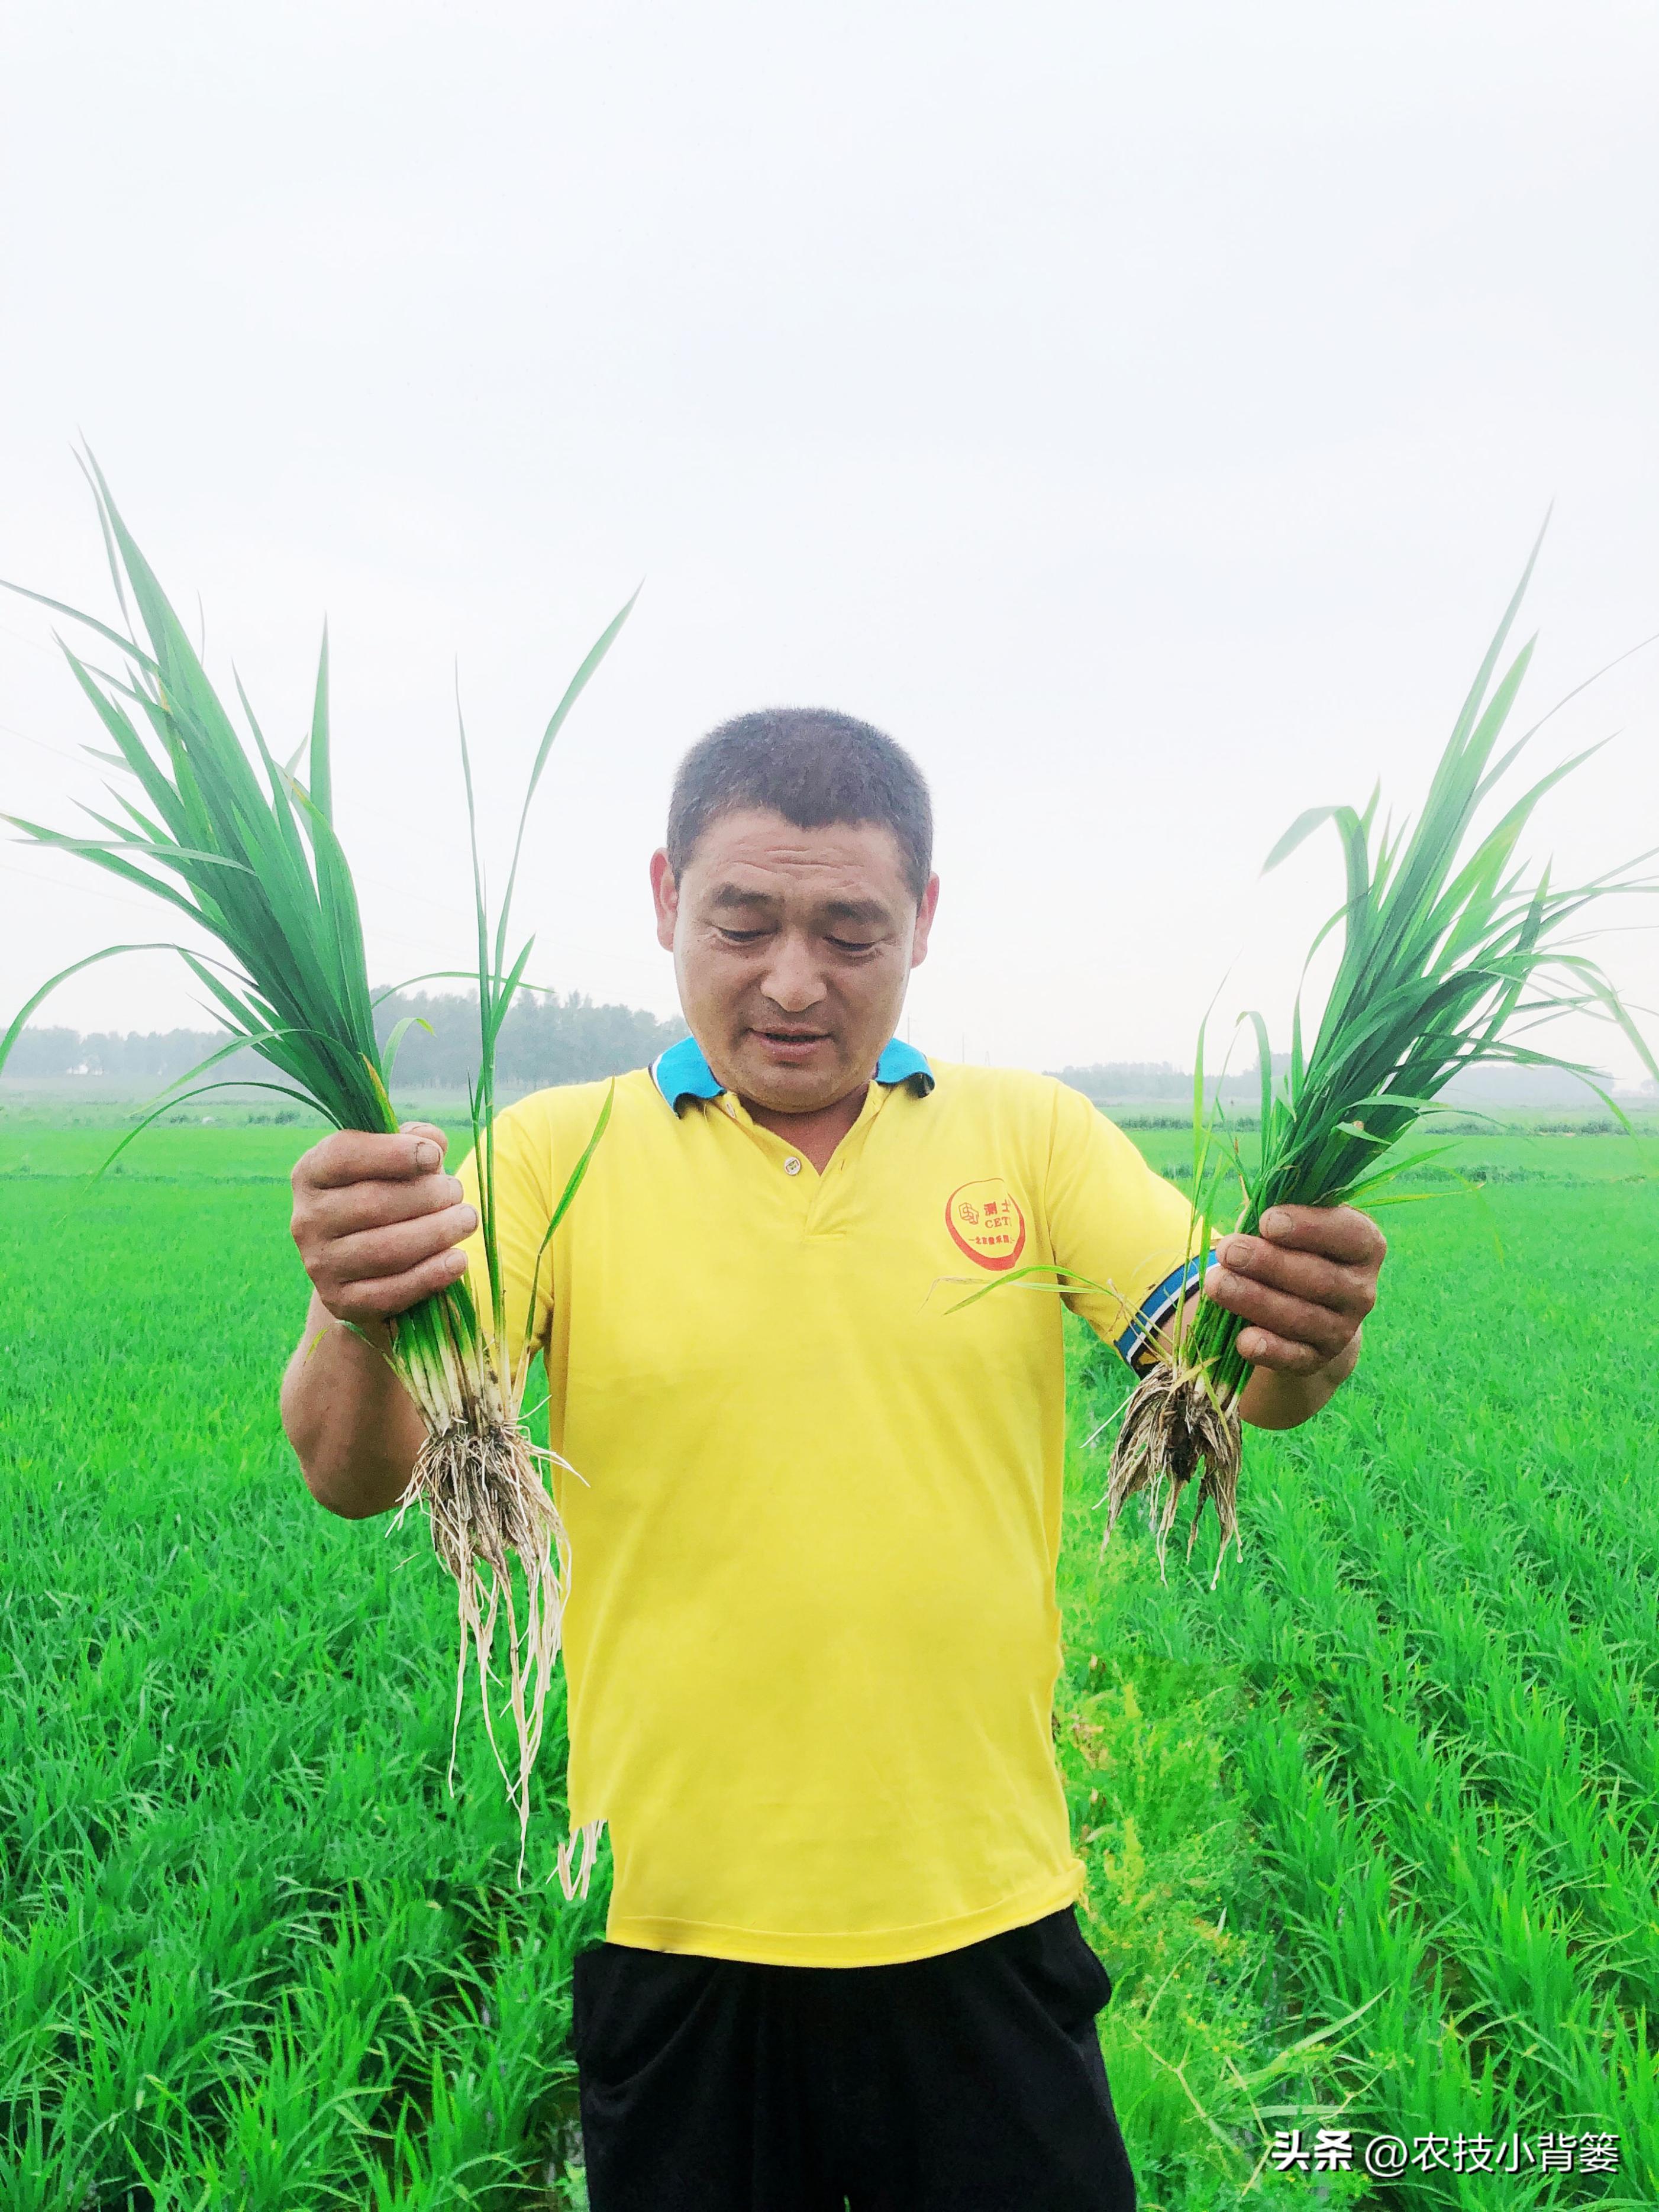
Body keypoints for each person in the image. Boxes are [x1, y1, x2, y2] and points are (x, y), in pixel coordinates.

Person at [282, 708, 1385, 2212]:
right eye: (741, 921)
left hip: (982, 1911)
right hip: (678, 1935)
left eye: (850, 931)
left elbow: (1232, 1375)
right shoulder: (554, 1151)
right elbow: (357, 1468)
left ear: (923, 921)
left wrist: (1306, 1335)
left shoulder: (1032, 1138)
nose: (792, 981)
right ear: (666, 895)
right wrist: (354, 1308)